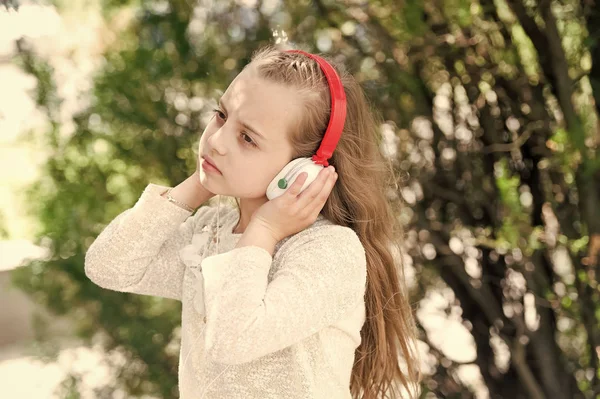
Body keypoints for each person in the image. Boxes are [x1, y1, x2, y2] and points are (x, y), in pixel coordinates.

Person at [85, 44, 421, 399]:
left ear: (300, 170)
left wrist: (265, 230)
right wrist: (201, 184)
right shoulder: (210, 232)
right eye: (220, 114)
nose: (215, 140)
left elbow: (234, 338)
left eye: (247, 138)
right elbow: (109, 265)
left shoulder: (328, 251)